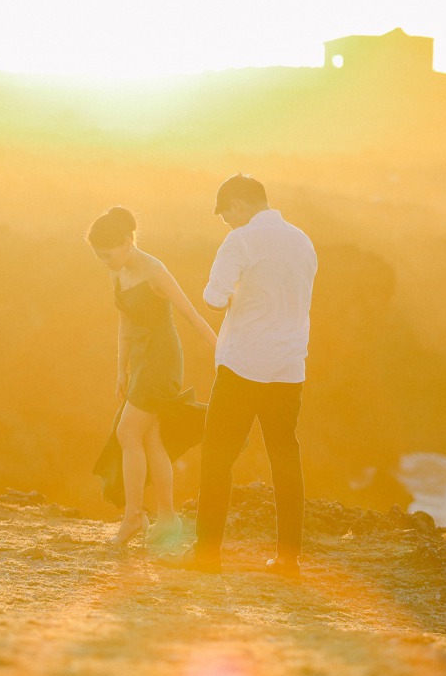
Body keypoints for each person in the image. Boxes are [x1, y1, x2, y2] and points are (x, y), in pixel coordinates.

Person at [166, 174, 317, 577]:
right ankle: (289, 560)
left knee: (218, 458)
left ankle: (207, 556)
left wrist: (237, 294)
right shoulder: (303, 241)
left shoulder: (241, 240)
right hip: (288, 367)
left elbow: (214, 298)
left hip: (244, 366)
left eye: (226, 216)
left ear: (237, 206)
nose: (228, 224)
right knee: (285, 459)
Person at [87, 207, 218, 547]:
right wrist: (120, 368)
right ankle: (167, 518)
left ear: (128, 241)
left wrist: (222, 349)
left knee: (127, 431)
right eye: (100, 258)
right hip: (141, 360)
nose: (106, 262)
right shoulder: (118, 272)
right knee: (150, 438)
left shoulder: (154, 270)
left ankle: (133, 518)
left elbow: (189, 314)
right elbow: (125, 323)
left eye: (109, 255)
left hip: (162, 360)